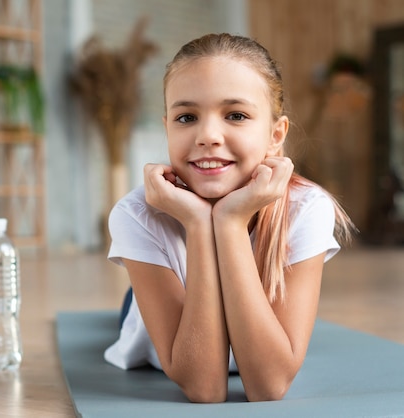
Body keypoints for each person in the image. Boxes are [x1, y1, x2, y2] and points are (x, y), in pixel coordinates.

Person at [104, 33, 355, 403]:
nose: (207, 135)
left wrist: (230, 222)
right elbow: (204, 388)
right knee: (134, 305)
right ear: (167, 128)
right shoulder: (135, 214)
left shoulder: (306, 208)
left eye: (235, 115)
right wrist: (197, 222)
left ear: (275, 135)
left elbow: (268, 386)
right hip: (158, 301)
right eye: (186, 117)